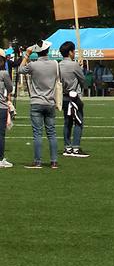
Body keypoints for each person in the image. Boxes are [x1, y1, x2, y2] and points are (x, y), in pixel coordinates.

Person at [19, 40, 60, 170]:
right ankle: (54, 161)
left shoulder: (34, 65)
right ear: (47, 51)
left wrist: (26, 55)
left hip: (36, 101)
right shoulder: (55, 64)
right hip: (50, 102)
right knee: (52, 133)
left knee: (37, 133)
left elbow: (20, 69)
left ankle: (38, 161)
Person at [58, 41, 89, 159]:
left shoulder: (59, 65)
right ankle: (76, 147)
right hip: (74, 97)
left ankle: (67, 146)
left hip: (64, 97)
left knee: (67, 122)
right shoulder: (74, 65)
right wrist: (80, 68)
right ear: (70, 52)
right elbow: (83, 80)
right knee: (78, 121)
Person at [0, 52, 14, 168]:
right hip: (1, 107)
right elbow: (10, 88)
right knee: (1, 134)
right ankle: (0, 159)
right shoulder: (4, 73)